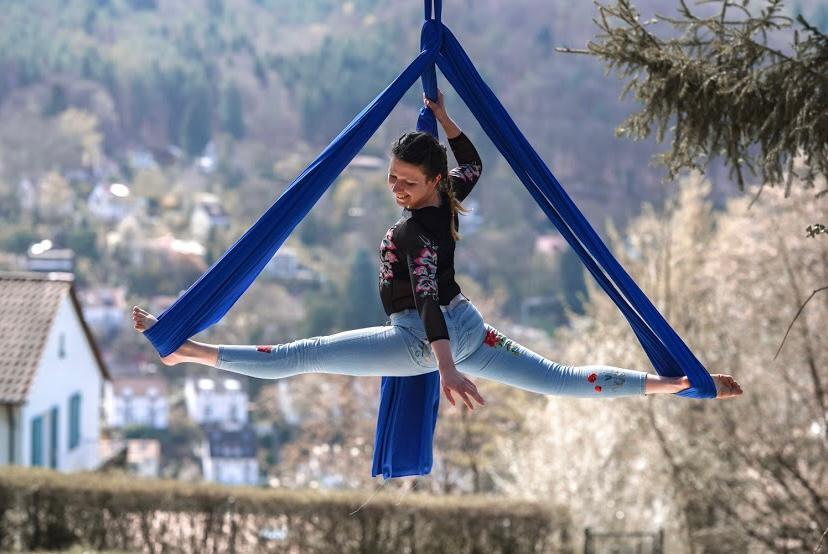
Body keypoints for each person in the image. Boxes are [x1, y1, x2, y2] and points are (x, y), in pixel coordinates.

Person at [132, 89, 743, 409]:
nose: (396, 187)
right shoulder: (448, 195)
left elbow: (425, 299)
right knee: (560, 381)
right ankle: (678, 385)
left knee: (303, 354)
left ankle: (190, 351)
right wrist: (444, 119)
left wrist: (444, 366)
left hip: (426, 341)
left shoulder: (413, 233)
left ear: (430, 182)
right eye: (392, 177)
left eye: (407, 181)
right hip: (471, 330)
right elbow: (473, 162)